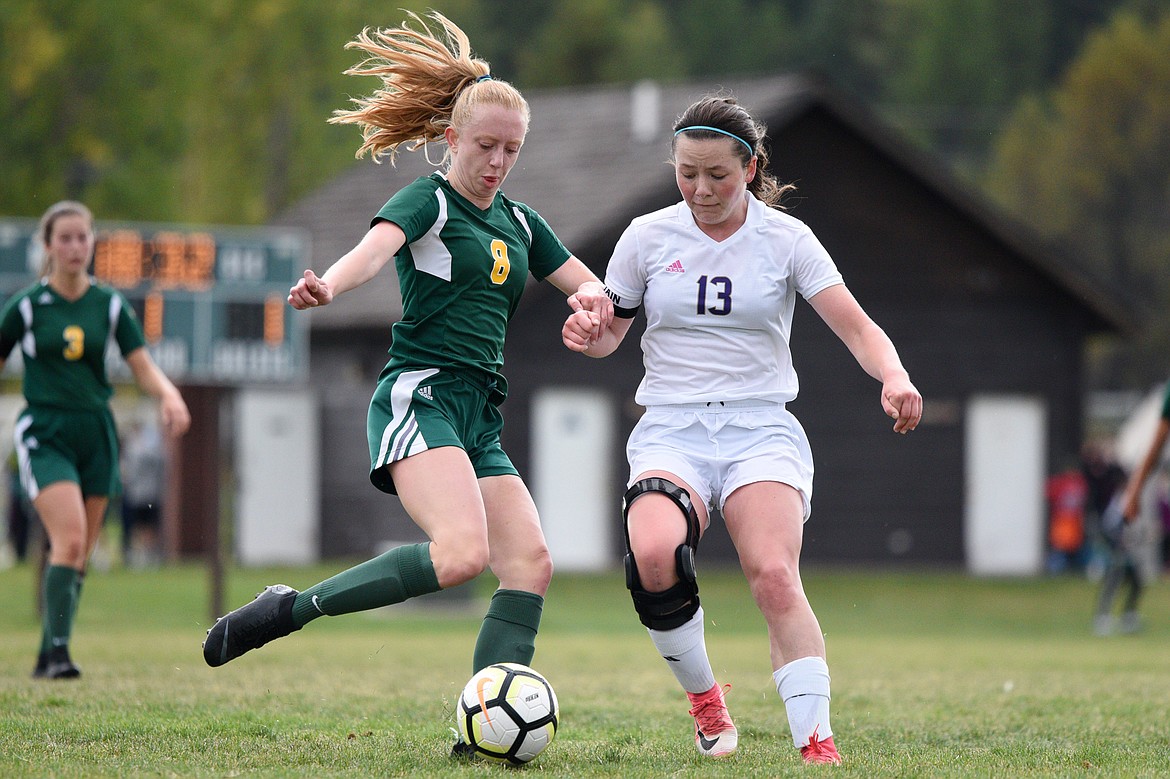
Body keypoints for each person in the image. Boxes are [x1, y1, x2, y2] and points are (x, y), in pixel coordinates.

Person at [199, 11, 612, 758]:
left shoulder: (522, 221)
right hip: (419, 396)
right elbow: (371, 250)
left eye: (511, 150)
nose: (497, 162)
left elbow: (594, 292)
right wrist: (327, 283)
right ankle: (292, 608)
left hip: (478, 414)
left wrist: (595, 311)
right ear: (451, 140)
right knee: (459, 555)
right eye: (484, 146)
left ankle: (479, 739)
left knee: (530, 563)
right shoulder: (431, 200)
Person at [562, 95, 922, 765]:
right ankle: (706, 701)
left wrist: (894, 376)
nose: (700, 189)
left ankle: (816, 742)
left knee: (774, 576)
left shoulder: (786, 240)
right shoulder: (646, 236)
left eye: (717, 175)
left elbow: (858, 327)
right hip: (672, 429)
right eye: (686, 172)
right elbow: (610, 330)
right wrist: (588, 333)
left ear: (750, 167)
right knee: (653, 553)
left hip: (760, 428)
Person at [0, 200, 191, 679]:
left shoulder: (107, 305)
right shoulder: (25, 307)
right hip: (46, 432)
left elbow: (141, 366)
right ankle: (60, 654)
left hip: (96, 434)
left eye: (82, 237)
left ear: (92, 242)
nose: (74, 246)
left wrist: (169, 396)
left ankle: (48, 652)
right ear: (47, 246)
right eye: (64, 238)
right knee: (69, 538)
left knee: (79, 553)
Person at [119, 419, 165, 567]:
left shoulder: (153, 448)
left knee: (149, 526)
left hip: (150, 495)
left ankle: (149, 555)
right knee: (137, 526)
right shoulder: (131, 448)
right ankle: (138, 556)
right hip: (136, 495)